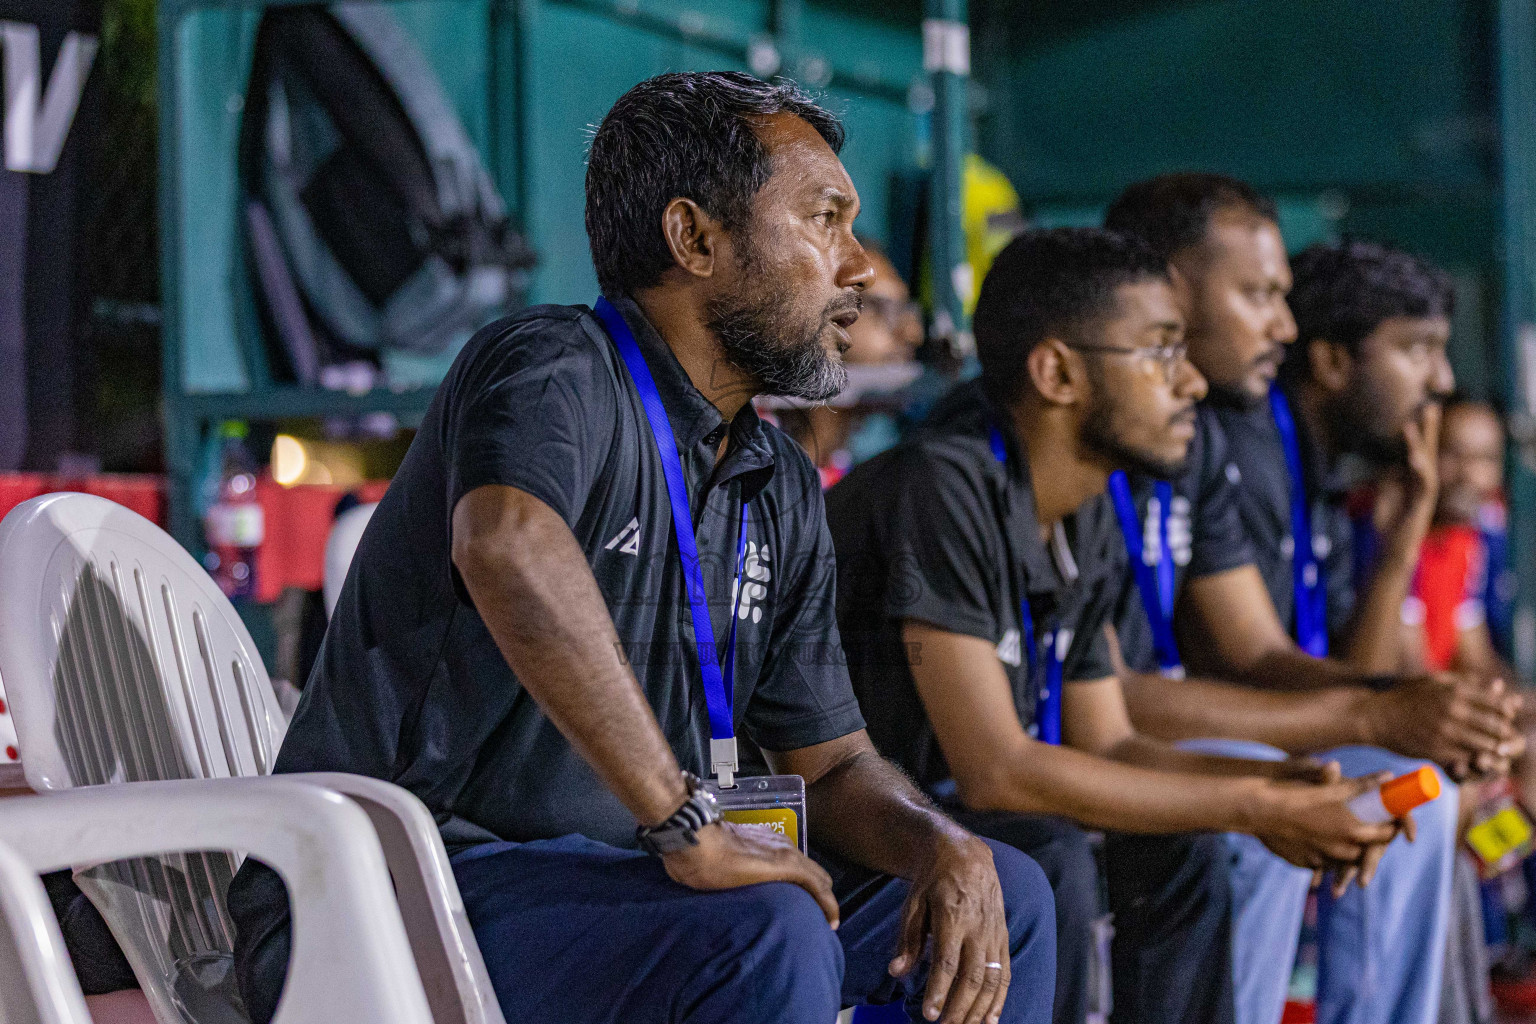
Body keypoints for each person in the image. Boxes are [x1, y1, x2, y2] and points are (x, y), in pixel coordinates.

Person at [227, 72, 1057, 1024]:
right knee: (769, 931)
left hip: (628, 887)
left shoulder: (778, 479)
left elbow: (831, 767)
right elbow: (505, 543)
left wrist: (935, 842)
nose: (859, 266)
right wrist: (683, 818)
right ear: (694, 238)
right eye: (824, 219)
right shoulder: (552, 366)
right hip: (403, 889)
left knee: (1005, 898)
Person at [826, 227, 1402, 1024]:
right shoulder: (943, 483)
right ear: (1058, 372)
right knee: (1044, 850)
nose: (1192, 382)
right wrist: (1258, 807)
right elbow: (996, 770)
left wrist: (1277, 788)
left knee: (1183, 846)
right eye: (1162, 352)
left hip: (955, 810)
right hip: (854, 820)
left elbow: (1109, 740)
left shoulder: (1085, 506)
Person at [1102, 173, 1514, 1024]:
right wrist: (1384, 708)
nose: (1282, 327)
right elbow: (1130, 701)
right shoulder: (1226, 439)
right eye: (1259, 295)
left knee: (1416, 785)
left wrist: (1411, 704)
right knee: (1281, 796)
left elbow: (1267, 654)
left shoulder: (1231, 446)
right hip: (1119, 751)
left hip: (1181, 730)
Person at [777, 242, 923, 488]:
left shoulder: (842, 461)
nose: (912, 334)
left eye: (906, 310)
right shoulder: (751, 446)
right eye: (886, 309)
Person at [1403, 397, 1516, 679]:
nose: (1469, 473)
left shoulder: (1470, 540)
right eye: (1452, 453)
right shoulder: (1396, 532)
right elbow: (1406, 669)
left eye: (1486, 458)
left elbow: (1473, 655)